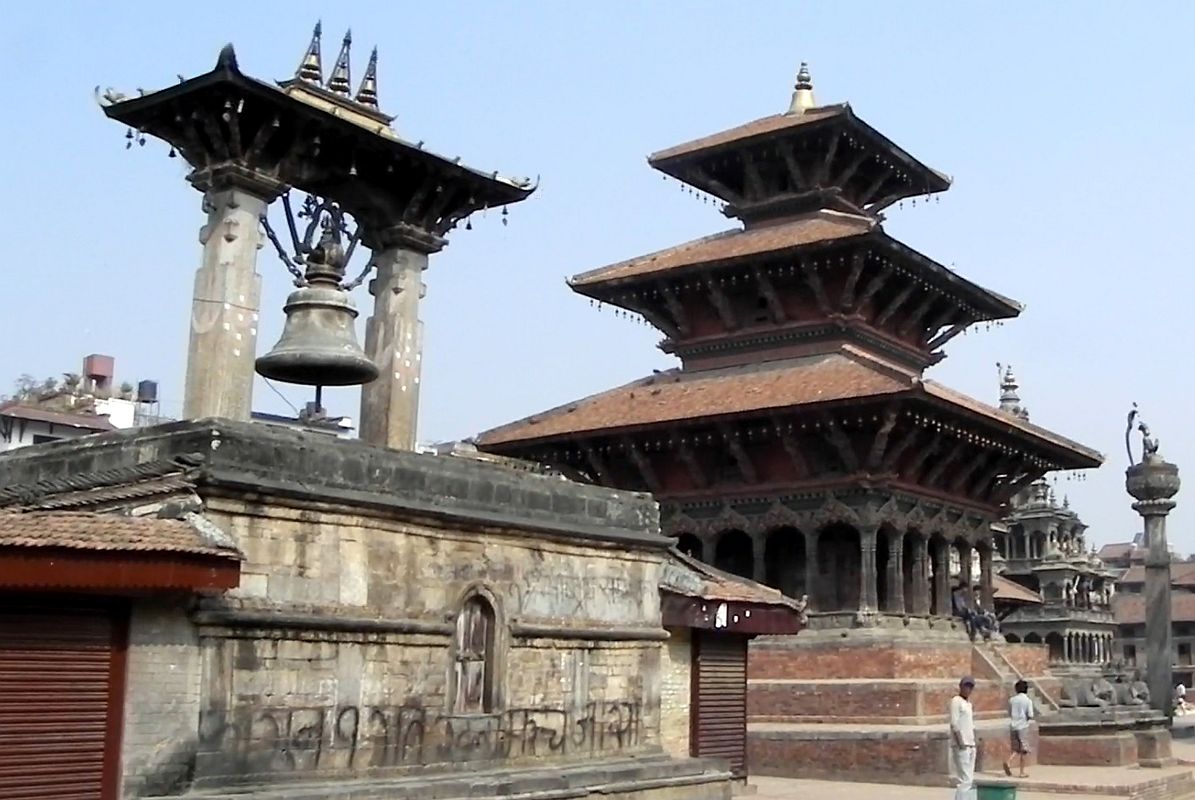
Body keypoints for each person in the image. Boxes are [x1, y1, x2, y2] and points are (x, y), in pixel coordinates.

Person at [949, 676, 977, 799]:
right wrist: (960, 742)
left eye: (970, 687)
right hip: (962, 744)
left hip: (971, 744)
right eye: (966, 686)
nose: (968, 689)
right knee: (965, 780)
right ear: (961, 687)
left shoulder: (968, 704)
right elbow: (954, 723)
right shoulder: (956, 700)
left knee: (969, 779)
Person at [1003, 680, 1034, 777]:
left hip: (1013, 725)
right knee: (1023, 750)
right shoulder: (1027, 700)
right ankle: (1022, 772)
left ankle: (1008, 761)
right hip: (1023, 726)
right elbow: (1030, 714)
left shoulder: (1012, 700)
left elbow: (1009, 712)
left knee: (1016, 749)